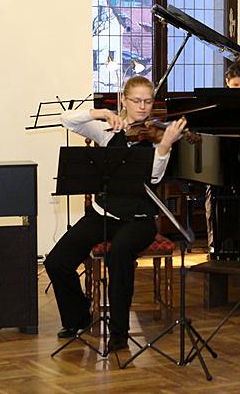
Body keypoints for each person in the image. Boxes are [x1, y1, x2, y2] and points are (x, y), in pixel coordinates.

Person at [44, 76, 186, 352]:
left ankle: (119, 331)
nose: (143, 107)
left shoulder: (158, 136)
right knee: (56, 261)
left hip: (141, 219)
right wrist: (102, 113)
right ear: (124, 100)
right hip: (103, 213)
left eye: (148, 101)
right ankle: (79, 316)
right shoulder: (108, 130)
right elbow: (67, 119)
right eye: (136, 101)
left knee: (119, 252)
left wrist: (166, 145)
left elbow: (155, 177)